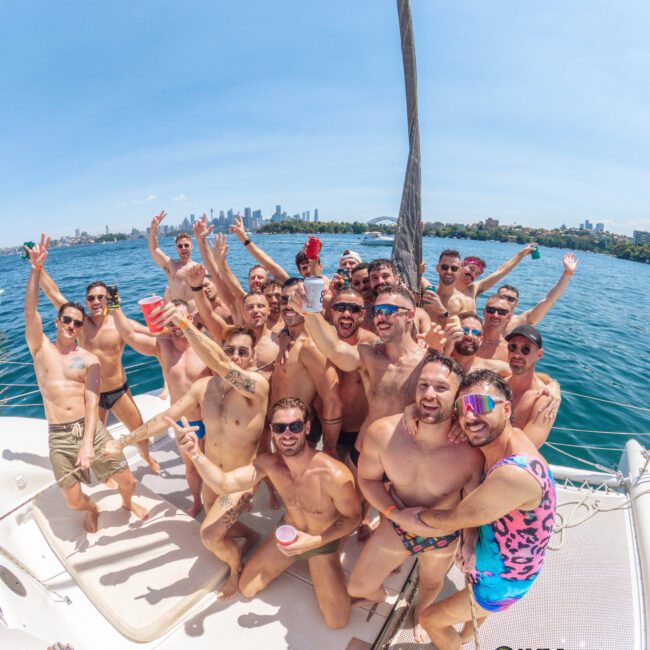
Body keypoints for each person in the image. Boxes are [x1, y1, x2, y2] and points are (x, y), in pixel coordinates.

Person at [104, 318, 269, 599]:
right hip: (209, 474)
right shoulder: (204, 387)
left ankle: (236, 569)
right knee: (214, 515)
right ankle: (251, 536)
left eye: (243, 352)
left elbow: (224, 368)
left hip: (239, 480)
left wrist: (184, 324)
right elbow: (164, 419)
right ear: (221, 350)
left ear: (252, 356)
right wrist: (124, 440)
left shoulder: (256, 387)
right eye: (229, 350)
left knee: (209, 535)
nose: (236, 357)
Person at [173, 397, 361, 629]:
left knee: (337, 622)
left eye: (295, 426)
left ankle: (335, 576)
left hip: (321, 542)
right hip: (288, 534)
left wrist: (314, 542)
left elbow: (353, 517)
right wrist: (195, 453)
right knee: (247, 588)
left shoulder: (333, 474)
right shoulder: (269, 463)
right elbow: (225, 483)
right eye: (280, 427)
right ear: (272, 430)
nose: (288, 434)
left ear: (307, 428)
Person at [411, 370, 556, 649]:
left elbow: (454, 518)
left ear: (506, 408)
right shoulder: (500, 444)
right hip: (496, 559)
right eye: (462, 408)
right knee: (472, 621)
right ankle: (465, 636)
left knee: (431, 620)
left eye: (480, 405)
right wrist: (470, 540)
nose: (469, 416)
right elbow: (483, 507)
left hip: (503, 582)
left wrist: (412, 516)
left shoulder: (515, 472)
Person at [347, 353, 483, 643]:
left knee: (431, 582)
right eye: (423, 385)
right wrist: (395, 513)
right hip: (397, 524)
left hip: (442, 537)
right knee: (358, 587)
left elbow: (472, 506)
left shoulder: (471, 451)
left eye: (441, 388)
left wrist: (469, 542)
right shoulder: (383, 433)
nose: (429, 395)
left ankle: (422, 614)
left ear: (459, 395)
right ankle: (384, 597)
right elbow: (368, 480)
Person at [24, 236, 147, 532]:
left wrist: (172, 329)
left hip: (102, 406)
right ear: (57, 321)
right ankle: (92, 503)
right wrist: (36, 269)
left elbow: (144, 334)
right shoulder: (49, 345)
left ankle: (137, 480)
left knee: (134, 454)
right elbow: (39, 305)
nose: (71, 325)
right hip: (70, 421)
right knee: (76, 495)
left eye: (76, 323)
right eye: (67, 320)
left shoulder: (101, 343)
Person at [38, 255, 159, 475]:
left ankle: (147, 457)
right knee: (93, 440)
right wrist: (37, 266)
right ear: (86, 302)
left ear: (108, 300)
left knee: (140, 430)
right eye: (91, 298)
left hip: (118, 391)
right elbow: (53, 294)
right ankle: (107, 475)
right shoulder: (81, 324)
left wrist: (181, 321)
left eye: (100, 297)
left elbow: (155, 334)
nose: (96, 302)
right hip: (92, 395)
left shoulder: (121, 325)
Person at [300, 284, 436, 461]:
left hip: (404, 457)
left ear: (410, 315)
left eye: (388, 310)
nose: (381, 317)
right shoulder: (369, 355)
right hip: (363, 453)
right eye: (378, 311)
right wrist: (309, 310)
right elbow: (334, 349)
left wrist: (416, 408)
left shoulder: (429, 361)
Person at [111, 296, 211, 517]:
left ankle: (221, 501)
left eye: (179, 319)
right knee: (192, 468)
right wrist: (114, 306)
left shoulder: (204, 345)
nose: (175, 327)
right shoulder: (162, 346)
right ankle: (197, 501)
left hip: (211, 420)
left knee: (215, 466)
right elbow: (128, 335)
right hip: (184, 422)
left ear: (191, 317)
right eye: (170, 322)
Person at [270, 278, 343, 453]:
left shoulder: (310, 346)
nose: (289, 306)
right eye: (285, 300)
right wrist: (283, 335)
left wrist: (330, 448)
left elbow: (332, 400)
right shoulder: (287, 338)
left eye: (295, 299)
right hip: (278, 431)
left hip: (296, 436)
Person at [505, 325, 559, 447]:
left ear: (539, 354)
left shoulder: (543, 401)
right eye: (513, 347)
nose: (517, 355)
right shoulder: (499, 385)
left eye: (525, 350)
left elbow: (524, 451)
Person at [500, 252, 579, 334]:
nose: (506, 300)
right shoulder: (487, 321)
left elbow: (548, 301)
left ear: (516, 303)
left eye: (510, 299)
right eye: (502, 297)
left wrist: (567, 273)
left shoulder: (522, 321)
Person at [454, 244, 538, 308]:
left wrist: (521, 254)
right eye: (471, 269)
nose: (473, 274)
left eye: (477, 273)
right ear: (461, 265)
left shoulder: (474, 289)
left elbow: (500, 272)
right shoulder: (443, 288)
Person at [147, 210, 198, 307]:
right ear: (176, 248)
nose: (183, 248)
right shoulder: (171, 265)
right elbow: (154, 249)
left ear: (191, 246)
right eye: (180, 246)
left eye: (186, 245)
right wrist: (153, 228)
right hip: (177, 315)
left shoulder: (198, 268)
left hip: (195, 317)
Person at [444, 312, 510, 376]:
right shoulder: (439, 362)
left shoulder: (490, 368)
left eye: (475, 332)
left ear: (480, 340)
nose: (469, 336)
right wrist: (448, 347)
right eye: (464, 330)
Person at [229, 214, 290, 283]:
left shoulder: (281, 290)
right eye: (252, 278)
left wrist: (244, 238)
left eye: (260, 277)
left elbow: (271, 265)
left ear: (267, 281)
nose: (256, 280)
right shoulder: (246, 294)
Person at [475, 294, 513, 362]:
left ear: (508, 317)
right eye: (491, 310)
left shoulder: (508, 351)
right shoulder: (469, 339)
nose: (495, 315)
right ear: (484, 312)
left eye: (502, 312)